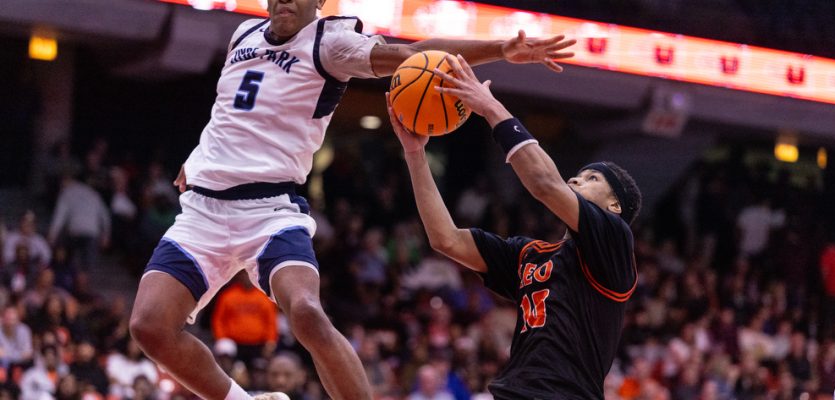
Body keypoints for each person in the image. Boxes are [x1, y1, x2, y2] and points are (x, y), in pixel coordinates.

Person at [127, 0, 575, 399]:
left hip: (269, 211)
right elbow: (229, 113)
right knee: (149, 327)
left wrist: (502, 49)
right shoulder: (242, 34)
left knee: (306, 312)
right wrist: (199, 158)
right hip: (204, 210)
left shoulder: (331, 42)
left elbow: (414, 55)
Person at [386, 54, 641, 399]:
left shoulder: (614, 241)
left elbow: (544, 184)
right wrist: (415, 155)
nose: (574, 180)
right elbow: (445, 239)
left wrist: (491, 108)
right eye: (578, 174)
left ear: (614, 206)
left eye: (591, 178)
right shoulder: (529, 255)